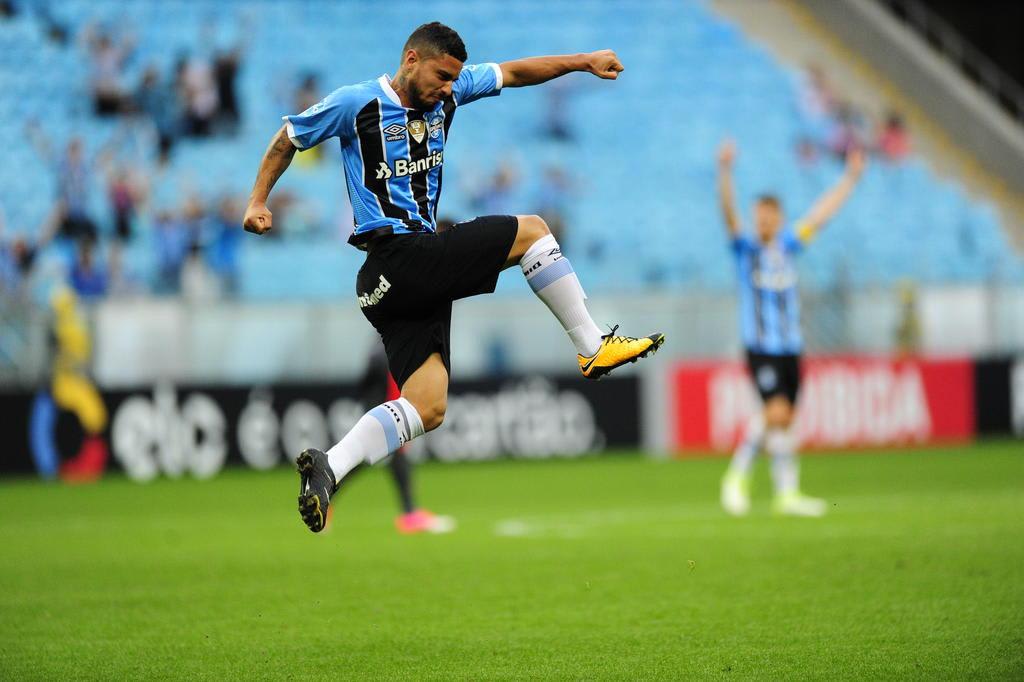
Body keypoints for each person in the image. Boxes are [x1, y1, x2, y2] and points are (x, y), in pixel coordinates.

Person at [241, 22, 665, 533]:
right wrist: (258, 201)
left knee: (427, 404)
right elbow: (288, 137)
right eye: (441, 76)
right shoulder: (356, 103)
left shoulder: (450, 91)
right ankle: (592, 344)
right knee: (533, 232)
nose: (447, 88)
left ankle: (330, 465)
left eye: (453, 80)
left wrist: (582, 61)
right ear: (412, 58)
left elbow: (514, 72)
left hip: (388, 286)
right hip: (399, 255)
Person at [717, 139, 864, 517]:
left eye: (769, 216)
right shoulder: (745, 249)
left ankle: (787, 494)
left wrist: (849, 179)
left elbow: (820, 215)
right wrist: (725, 171)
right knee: (776, 413)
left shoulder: (789, 244)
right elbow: (728, 214)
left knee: (785, 423)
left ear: (779, 218)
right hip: (761, 346)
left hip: (791, 346)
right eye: (758, 216)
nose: (762, 221)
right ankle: (736, 478)